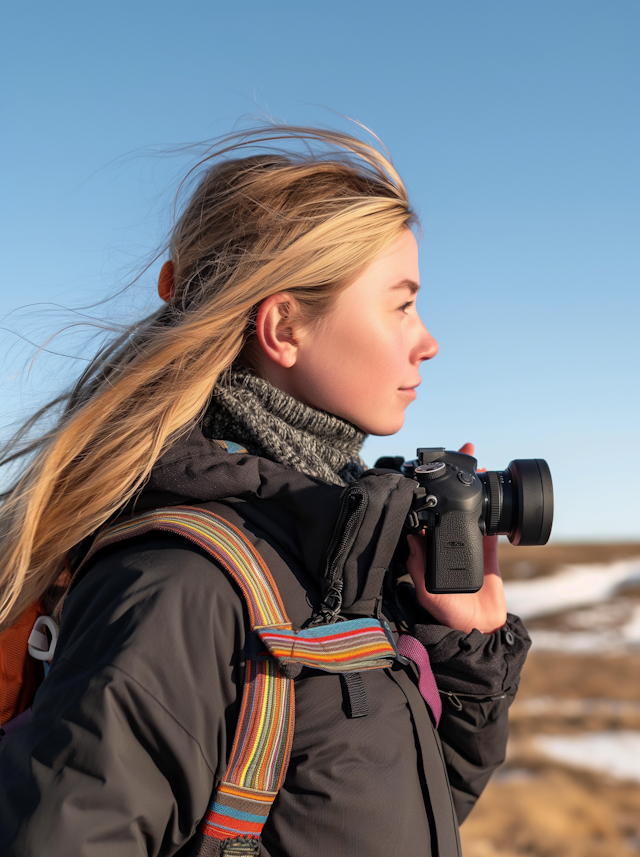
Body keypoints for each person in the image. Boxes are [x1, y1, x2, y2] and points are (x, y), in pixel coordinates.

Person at [0, 125, 530, 857]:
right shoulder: (186, 588)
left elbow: (385, 818)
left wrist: (463, 652)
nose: (427, 339)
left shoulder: (326, 559)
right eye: (401, 304)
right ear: (284, 326)